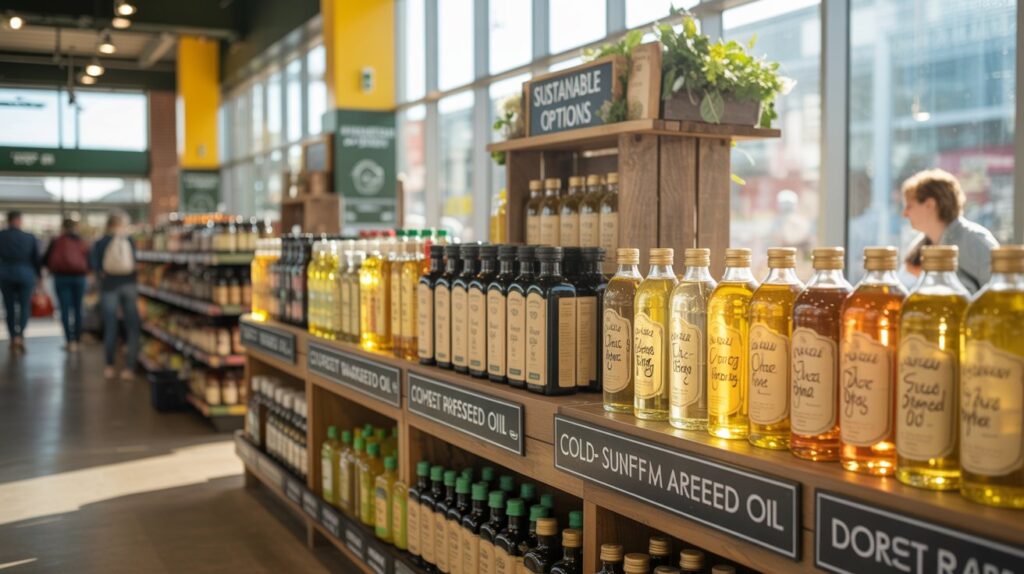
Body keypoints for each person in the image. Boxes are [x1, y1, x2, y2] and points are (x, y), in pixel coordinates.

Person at [901, 169, 999, 292]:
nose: (904, 213)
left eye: (909, 206)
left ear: (929, 205)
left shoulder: (974, 241)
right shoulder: (921, 246)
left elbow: (1000, 293)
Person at [90, 213, 140, 380]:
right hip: (129, 285)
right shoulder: (129, 240)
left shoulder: (101, 242)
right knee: (132, 325)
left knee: (110, 325)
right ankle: (130, 368)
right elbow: (135, 262)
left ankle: (109, 366)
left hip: (109, 287)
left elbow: (95, 266)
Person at [43, 219, 90, 351]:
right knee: (78, 308)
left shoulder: (56, 241)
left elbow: (46, 260)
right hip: (80, 278)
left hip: (61, 278)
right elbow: (90, 260)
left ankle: (69, 342)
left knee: (64, 309)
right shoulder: (81, 241)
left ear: (63, 227)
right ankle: (78, 339)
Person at [0, 211, 40, 352]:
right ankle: (20, 335)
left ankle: (12, 336)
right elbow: (36, 260)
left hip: (5, 275)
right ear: (19, 220)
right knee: (24, 307)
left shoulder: (2, 236)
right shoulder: (29, 237)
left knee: (9, 308)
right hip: (25, 275)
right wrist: (39, 278)